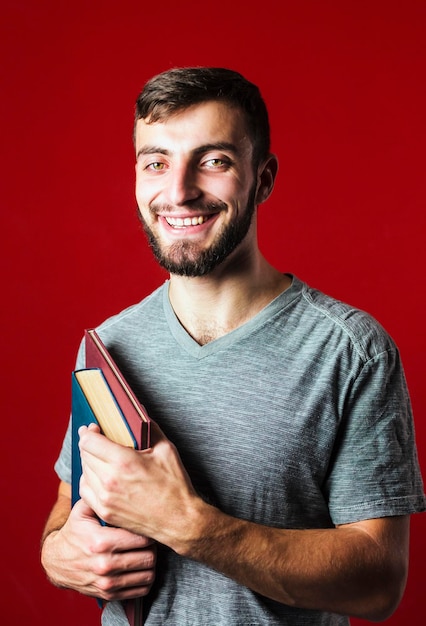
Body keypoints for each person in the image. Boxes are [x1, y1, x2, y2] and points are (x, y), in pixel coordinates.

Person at [41, 66, 426, 626]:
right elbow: (67, 510)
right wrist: (59, 555)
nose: (178, 191)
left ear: (263, 178)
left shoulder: (351, 352)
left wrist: (191, 526)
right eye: (156, 162)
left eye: (213, 160)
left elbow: (378, 583)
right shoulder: (109, 345)